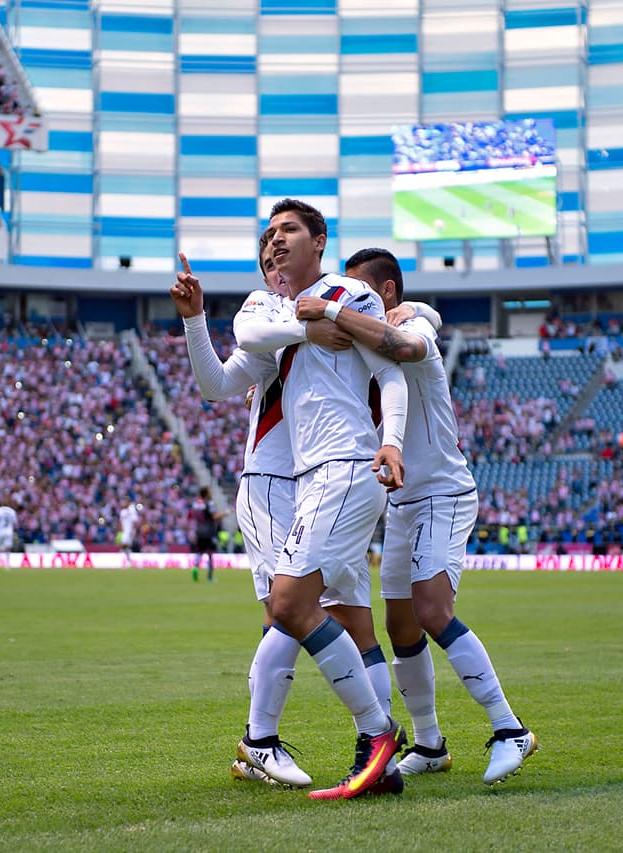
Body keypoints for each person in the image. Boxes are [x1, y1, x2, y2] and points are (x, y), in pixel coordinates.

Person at [296, 247, 537, 786]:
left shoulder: (415, 331)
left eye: (356, 291)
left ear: (384, 294)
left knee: (431, 609)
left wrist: (331, 311)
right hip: (401, 500)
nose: (345, 298)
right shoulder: (366, 344)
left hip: (442, 493)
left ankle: (508, 728)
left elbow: (405, 342)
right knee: (401, 625)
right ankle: (429, 744)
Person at [235, 199, 409, 800]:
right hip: (314, 476)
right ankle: (377, 755)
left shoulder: (350, 294)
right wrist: (306, 325)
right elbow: (243, 336)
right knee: (315, 609)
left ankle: (377, 732)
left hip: (345, 466)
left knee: (287, 603)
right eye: (269, 233)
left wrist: (390, 442)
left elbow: (389, 372)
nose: (276, 241)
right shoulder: (277, 305)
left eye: (288, 230)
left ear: (320, 239)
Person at [172, 238, 351, 788]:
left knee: (293, 613)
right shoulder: (265, 311)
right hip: (271, 484)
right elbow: (216, 383)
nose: (274, 264)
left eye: (281, 254)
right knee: (290, 609)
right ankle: (262, 742)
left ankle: (261, 745)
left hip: (319, 479)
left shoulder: (336, 304)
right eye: (266, 260)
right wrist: (195, 320)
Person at [191, 486, 224, 582]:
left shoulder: (196, 504)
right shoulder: (209, 503)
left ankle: (195, 568)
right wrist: (225, 513)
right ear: (206, 493)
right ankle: (210, 577)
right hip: (209, 532)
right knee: (210, 554)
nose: (211, 493)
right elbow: (214, 517)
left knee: (199, 552)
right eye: (210, 491)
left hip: (199, 531)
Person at [118, 501, 141, 568]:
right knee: (126, 545)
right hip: (125, 531)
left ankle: (127, 558)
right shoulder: (122, 512)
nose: (124, 503)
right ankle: (129, 559)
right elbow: (121, 521)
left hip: (130, 531)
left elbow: (135, 521)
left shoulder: (132, 510)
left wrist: (133, 529)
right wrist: (121, 529)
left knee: (124, 544)